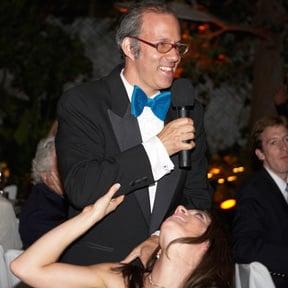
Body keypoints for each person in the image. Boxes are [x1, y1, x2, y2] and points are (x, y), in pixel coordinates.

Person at [55, 1, 212, 265]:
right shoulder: (83, 103)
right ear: (130, 48)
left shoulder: (187, 110)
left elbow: (198, 196)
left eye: (178, 46)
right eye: (162, 45)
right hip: (94, 268)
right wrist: (158, 148)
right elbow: (81, 187)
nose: (174, 56)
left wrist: (160, 236)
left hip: (163, 266)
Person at [11, 184, 233, 288]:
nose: (181, 208)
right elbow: (25, 268)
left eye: (199, 216)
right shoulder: (121, 280)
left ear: (208, 247)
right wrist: (89, 217)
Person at [233, 115, 288, 288]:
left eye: (287, 139)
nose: (284, 147)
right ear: (260, 154)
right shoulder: (253, 192)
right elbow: (244, 247)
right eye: (273, 142)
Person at [19, 136, 68, 249]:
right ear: (46, 177)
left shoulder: (56, 201)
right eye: (61, 167)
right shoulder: (39, 213)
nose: (68, 171)